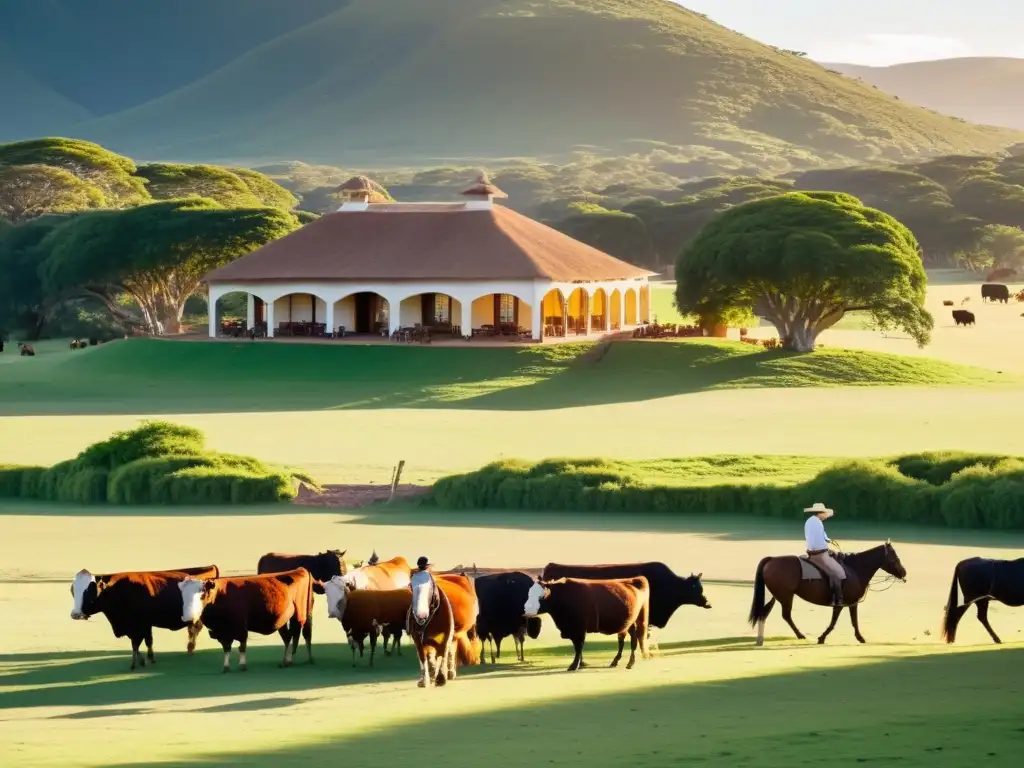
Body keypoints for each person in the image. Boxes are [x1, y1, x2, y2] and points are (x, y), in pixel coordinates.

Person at [804, 502, 844, 606]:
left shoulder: (810, 521)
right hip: (819, 553)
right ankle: (837, 599)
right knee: (836, 571)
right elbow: (819, 541)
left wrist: (828, 539)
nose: (826, 516)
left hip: (810, 551)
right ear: (821, 513)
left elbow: (820, 535)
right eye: (825, 514)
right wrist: (828, 548)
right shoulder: (818, 523)